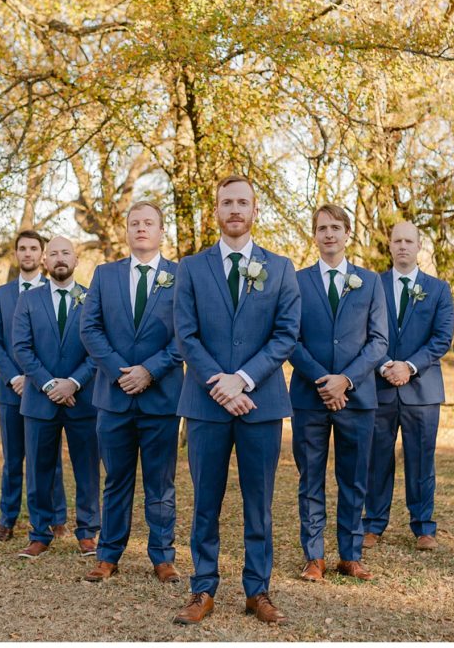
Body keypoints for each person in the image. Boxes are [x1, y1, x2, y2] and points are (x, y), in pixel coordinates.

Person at [172, 175, 300, 626]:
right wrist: (218, 383)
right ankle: (202, 588)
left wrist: (242, 379)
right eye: (226, 202)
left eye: (242, 202)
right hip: (205, 405)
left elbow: (286, 334)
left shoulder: (280, 268)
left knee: (259, 502)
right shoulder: (190, 267)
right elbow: (185, 333)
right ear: (216, 210)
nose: (234, 210)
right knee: (205, 501)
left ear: (255, 210)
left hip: (261, 403)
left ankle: (257, 591)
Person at [79, 201, 184, 583]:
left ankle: (162, 556)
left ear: (161, 232)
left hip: (161, 397)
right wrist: (120, 371)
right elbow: (90, 329)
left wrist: (149, 371)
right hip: (114, 396)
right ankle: (108, 555)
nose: (141, 228)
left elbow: (186, 335)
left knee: (161, 482)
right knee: (115, 479)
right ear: (126, 231)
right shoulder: (104, 275)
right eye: (134, 223)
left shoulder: (179, 275)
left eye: (149, 223)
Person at [288, 204, 388, 582]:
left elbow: (379, 342)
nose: (328, 234)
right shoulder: (296, 281)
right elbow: (290, 339)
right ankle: (314, 556)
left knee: (354, 478)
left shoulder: (370, 281)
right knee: (310, 478)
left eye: (335, 227)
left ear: (348, 233)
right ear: (314, 235)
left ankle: (351, 553)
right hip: (309, 398)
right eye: (321, 228)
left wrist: (345, 380)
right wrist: (322, 380)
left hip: (358, 398)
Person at [363, 221, 454, 552]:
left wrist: (410, 366)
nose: (403, 246)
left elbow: (442, 338)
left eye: (409, 241)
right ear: (389, 246)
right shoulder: (371, 285)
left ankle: (423, 527)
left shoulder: (439, 289)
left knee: (421, 458)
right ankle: (372, 524)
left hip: (422, 390)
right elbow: (362, 332)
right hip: (379, 385)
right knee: (376, 458)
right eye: (397, 240)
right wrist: (386, 364)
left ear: (419, 246)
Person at [12, 236, 100, 558]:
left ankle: (88, 533)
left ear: (76, 260)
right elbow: (21, 348)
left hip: (84, 399)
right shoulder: (29, 301)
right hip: (39, 400)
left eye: (66, 253)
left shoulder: (92, 298)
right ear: (45, 262)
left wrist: (73, 383)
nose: (59, 258)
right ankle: (39, 533)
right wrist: (50, 385)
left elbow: (98, 348)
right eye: (53, 254)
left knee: (87, 469)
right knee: (39, 470)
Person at [0, 229, 68, 542]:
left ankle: (56, 518)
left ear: (43, 255)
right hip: (11, 390)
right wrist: (15, 377)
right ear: (16, 254)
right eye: (23, 248)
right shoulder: (3, 294)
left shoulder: (58, 291)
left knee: (50, 458)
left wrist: (41, 381)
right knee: (13, 458)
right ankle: (8, 519)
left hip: (47, 391)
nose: (28, 253)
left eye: (34, 248)